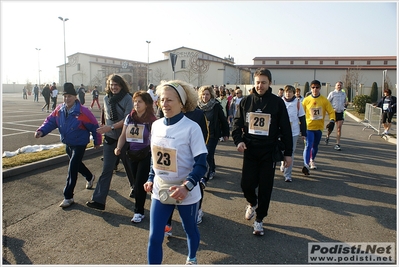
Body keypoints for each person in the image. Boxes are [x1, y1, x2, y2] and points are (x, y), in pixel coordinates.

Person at [143, 80, 208, 265]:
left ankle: (192, 258)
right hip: (161, 188)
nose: (165, 104)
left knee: (190, 229)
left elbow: (202, 164)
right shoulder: (156, 126)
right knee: (155, 237)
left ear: (182, 102)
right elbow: (154, 157)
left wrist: (186, 186)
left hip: (185, 189)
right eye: (162, 100)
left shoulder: (191, 128)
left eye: (170, 100)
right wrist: (150, 177)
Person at [232, 68, 293, 236]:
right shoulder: (246, 101)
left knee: (266, 187)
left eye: (263, 82)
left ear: (270, 83)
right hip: (250, 150)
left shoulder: (277, 102)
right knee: (246, 184)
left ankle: (259, 219)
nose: (260, 85)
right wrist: (239, 141)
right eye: (257, 82)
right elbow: (237, 124)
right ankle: (252, 202)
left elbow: (286, 129)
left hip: (269, 151)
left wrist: (288, 153)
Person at [34, 82, 102, 208]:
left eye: (69, 96)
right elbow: (50, 121)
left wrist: (97, 141)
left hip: (80, 143)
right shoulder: (59, 109)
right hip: (68, 142)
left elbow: (94, 126)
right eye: (65, 96)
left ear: (75, 97)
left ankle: (68, 196)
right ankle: (90, 176)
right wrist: (41, 131)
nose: (67, 99)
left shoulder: (83, 111)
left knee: (72, 168)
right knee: (76, 164)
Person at [86, 74, 135, 210]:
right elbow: (106, 115)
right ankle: (99, 200)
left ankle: (135, 187)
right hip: (110, 138)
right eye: (111, 85)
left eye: (116, 85)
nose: (114, 87)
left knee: (129, 166)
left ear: (121, 85)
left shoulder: (128, 98)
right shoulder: (107, 98)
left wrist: (111, 126)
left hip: (125, 138)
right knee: (106, 169)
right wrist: (105, 128)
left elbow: (127, 119)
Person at [115, 91, 157, 223]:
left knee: (139, 184)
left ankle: (138, 212)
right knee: (135, 182)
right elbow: (123, 135)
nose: (136, 104)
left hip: (146, 154)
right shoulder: (129, 117)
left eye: (140, 101)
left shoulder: (152, 121)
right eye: (135, 101)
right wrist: (118, 147)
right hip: (132, 154)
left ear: (146, 104)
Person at [301, 80, 335, 174]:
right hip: (309, 127)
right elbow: (301, 113)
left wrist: (332, 120)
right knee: (308, 145)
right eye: (313, 87)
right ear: (310, 89)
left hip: (319, 128)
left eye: (317, 87)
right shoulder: (306, 100)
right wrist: (300, 125)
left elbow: (331, 111)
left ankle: (312, 159)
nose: (315, 89)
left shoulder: (324, 100)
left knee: (315, 146)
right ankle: (306, 165)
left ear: (320, 88)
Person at [197, 85, 230, 181]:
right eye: (203, 94)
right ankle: (213, 168)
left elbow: (223, 120)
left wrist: (226, 133)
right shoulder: (197, 106)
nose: (205, 97)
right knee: (206, 153)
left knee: (208, 153)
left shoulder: (216, 106)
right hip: (201, 134)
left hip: (213, 134)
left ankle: (207, 173)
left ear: (211, 95)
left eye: (207, 94)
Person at [279, 85, 307, 182]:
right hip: (281, 131)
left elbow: (302, 118)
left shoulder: (298, 103)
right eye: (287, 92)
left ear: (293, 93)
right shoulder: (280, 102)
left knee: (291, 152)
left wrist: (303, 132)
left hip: (293, 131)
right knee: (282, 150)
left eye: (290, 92)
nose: (288, 94)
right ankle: (283, 163)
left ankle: (288, 174)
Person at [326, 81, 348, 151]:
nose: (339, 86)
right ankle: (328, 136)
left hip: (340, 112)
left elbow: (345, 102)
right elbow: (327, 102)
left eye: (340, 85)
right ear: (335, 86)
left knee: (339, 128)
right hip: (333, 113)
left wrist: (345, 105)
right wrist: (331, 109)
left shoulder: (343, 94)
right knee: (331, 128)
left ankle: (337, 144)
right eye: (338, 85)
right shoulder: (332, 93)